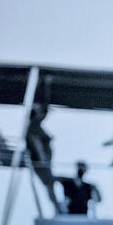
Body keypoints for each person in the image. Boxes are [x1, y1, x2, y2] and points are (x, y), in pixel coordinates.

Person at [25, 77, 63, 212]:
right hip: (42, 162)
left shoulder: (33, 127)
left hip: (43, 162)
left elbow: (44, 110)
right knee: (49, 185)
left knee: (49, 185)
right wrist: (46, 85)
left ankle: (57, 207)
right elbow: (44, 110)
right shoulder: (33, 127)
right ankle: (57, 207)